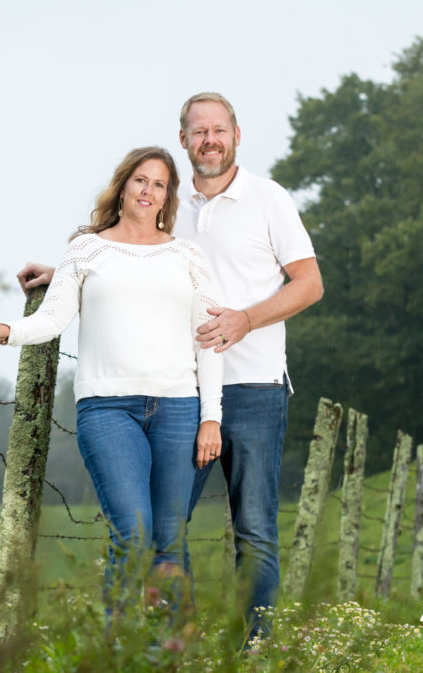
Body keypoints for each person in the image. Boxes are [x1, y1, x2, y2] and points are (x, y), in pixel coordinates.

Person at [18, 93, 323, 639]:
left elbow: (309, 284)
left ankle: (256, 647)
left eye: (219, 130)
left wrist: (246, 320)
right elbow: (126, 257)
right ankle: (162, 644)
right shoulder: (169, 213)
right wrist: (63, 271)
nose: (209, 139)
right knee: (165, 528)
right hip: (182, 393)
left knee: (253, 529)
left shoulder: (268, 199)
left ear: (236, 135)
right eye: (198, 131)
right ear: (183, 140)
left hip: (252, 387)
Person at [0, 146, 223, 609]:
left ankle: (164, 656)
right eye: (141, 181)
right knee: (134, 533)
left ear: (168, 198)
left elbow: (208, 338)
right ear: (123, 185)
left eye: (159, 185)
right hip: (108, 410)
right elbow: (51, 320)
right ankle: (118, 648)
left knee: (169, 542)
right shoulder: (87, 248)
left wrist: (211, 417)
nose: (148, 191)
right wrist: (5, 332)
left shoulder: (188, 255)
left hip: (180, 410)